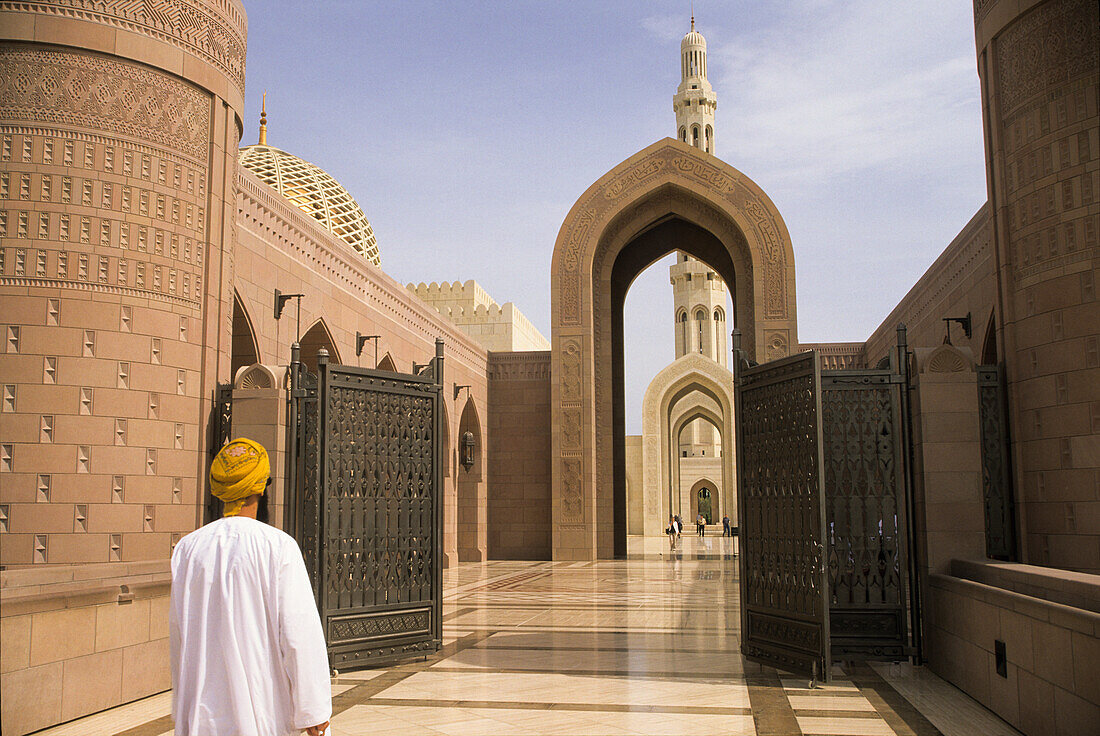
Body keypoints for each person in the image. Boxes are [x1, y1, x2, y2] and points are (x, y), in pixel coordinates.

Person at [170, 438, 332, 736]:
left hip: (200, 718)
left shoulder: (187, 550)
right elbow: (298, 635)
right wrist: (314, 710)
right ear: (261, 487)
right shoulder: (278, 547)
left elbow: (180, 636)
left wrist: (183, 707)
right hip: (261, 715)